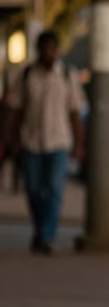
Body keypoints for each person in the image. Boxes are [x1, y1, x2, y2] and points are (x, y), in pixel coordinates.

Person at [8, 31, 84, 254]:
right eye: (44, 48)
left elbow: (75, 113)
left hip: (59, 141)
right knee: (33, 190)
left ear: (57, 50)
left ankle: (46, 236)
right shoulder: (27, 75)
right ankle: (40, 229)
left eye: (52, 48)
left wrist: (80, 144)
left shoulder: (68, 75)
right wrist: (13, 138)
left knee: (53, 190)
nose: (48, 53)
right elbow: (16, 110)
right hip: (31, 140)